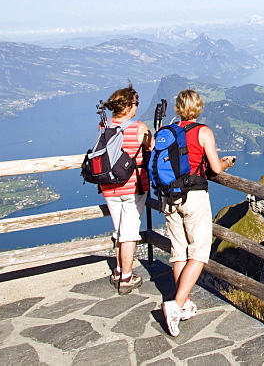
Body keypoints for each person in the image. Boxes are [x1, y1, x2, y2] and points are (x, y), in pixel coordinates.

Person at [162, 88, 235, 337]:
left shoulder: (168, 131)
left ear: (178, 109)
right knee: (200, 252)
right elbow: (214, 168)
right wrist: (225, 163)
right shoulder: (202, 131)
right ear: (199, 107)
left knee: (179, 251)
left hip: (169, 197)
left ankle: (183, 302)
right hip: (193, 196)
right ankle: (176, 304)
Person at [98, 84, 153, 294]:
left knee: (119, 230)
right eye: (136, 103)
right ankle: (127, 278)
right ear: (129, 105)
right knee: (129, 232)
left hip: (109, 185)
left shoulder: (104, 126)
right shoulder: (139, 127)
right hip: (132, 186)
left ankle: (119, 269)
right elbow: (152, 147)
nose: (137, 107)